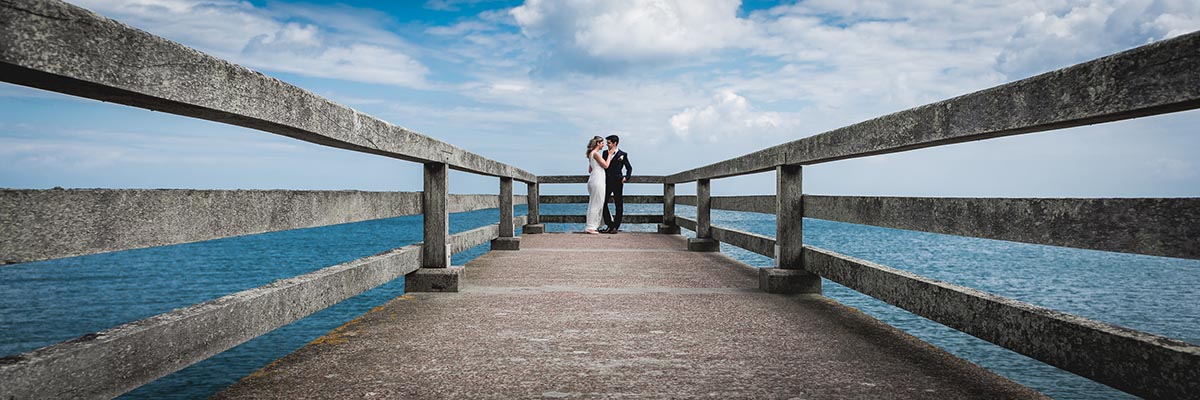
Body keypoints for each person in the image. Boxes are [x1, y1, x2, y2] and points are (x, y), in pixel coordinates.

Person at [584, 136, 617, 234]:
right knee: (596, 204)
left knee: (594, 203)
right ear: (598, 143)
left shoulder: (591, 154)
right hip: (598, 180)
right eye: (602, 143)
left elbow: (590, 170)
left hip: (593, 179)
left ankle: (593, 225)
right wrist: (610, 155)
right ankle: (591, 227)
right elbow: (606, 165)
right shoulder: (596, 154)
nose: (604, 145)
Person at [601, 135, 633, 234]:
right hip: (606, 181)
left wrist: (626, 177)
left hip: (618, 181)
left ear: (615, 143)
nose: (607, 144)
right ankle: (609, 224)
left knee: (618, 204)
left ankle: (616, 226)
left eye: (609, 142)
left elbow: (629, 168)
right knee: (603, 202)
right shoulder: (605, 153)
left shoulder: (623, 154)